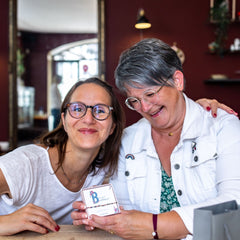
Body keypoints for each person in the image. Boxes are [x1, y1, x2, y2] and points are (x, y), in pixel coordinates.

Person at [71, 38, 240, 240]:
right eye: (134, 100)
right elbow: (125, 215)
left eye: (150, 94)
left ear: (177, 81)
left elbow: (235, 203)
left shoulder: (222, 127)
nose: (144, 108)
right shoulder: (128, 140)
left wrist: (154, 226)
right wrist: (99, 217)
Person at [0, 77, 125, 235]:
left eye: (100, 110)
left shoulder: (104, 171)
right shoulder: (25, 164)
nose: (88, 119)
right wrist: (3, 222)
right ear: (64, 120)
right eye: (78, 109)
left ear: (113, 126)